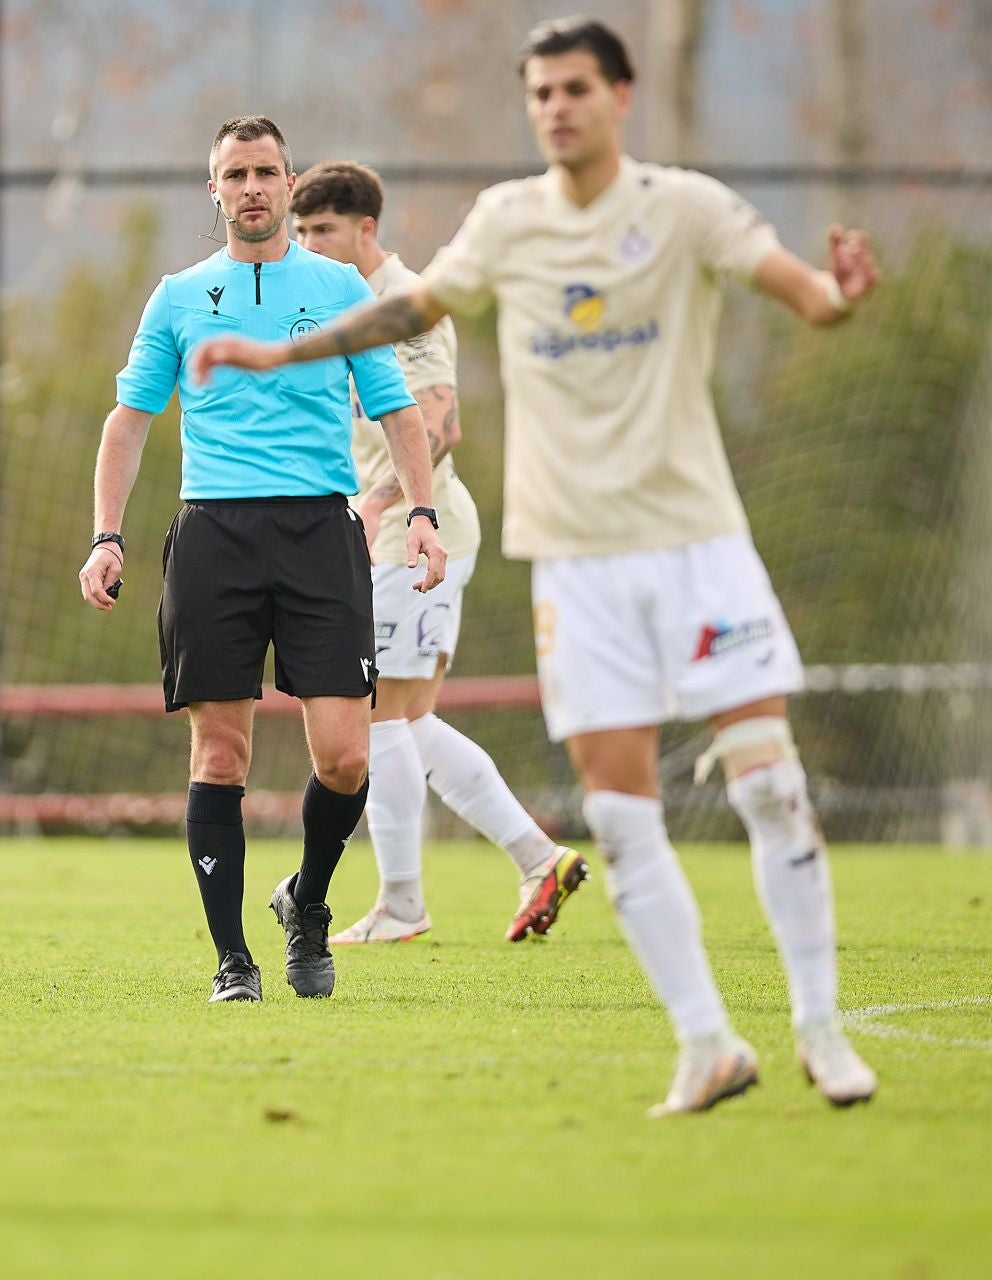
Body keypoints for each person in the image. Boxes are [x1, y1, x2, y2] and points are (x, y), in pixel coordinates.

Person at [192, 19, 879, 1114]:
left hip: (693, 542)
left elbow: (802, 293)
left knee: (770, 783)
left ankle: (821, 1029)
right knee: (616, 811)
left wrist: (841, 295)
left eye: (574, 88)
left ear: (620, 93)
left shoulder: (685, 207)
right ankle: (703, 1042)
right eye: (539, 92)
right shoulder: (505, 222)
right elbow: (403, 313)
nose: (555, 107)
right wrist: (274, 350)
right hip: (573, 562)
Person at [79, 115, 446, 1005]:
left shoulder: (340, 287)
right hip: (214, 536)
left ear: (290, 186)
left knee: (345, 759)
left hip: (322, 534)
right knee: (219, 754)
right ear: (214, 190)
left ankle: (308, 904)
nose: (250, 187)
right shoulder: (175, 296)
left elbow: (397, 410)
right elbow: (129, 420)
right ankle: (231, 961)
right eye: (234, 174)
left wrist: (423, 511)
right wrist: (106, 535)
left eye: (266, 173)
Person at [288, 162, 587, 945]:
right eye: (302, 231)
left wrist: (380, 503)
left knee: (379, 713)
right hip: (381, 538)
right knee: (409, 719)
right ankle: (536, 857)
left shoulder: (406, 305)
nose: (310, 243)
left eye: (323, 230)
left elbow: (438, 424)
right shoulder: (332, 306)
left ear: (365, 230)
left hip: (416, 538)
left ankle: (402, 904)